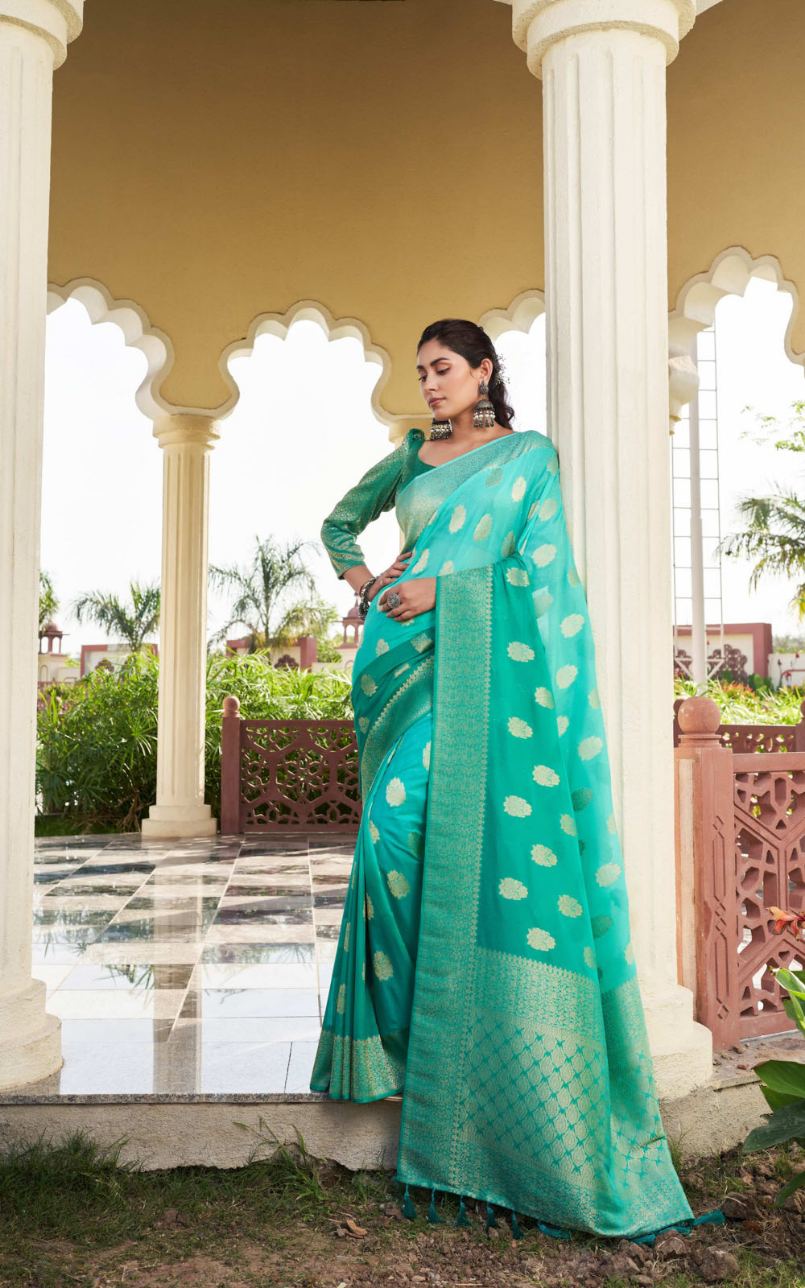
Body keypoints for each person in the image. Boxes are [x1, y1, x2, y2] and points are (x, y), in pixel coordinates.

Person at [309, 318, 723, 1243]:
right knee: (385, 842)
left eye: (443, 368)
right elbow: (337, 523)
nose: (430, 384)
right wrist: (367, 580)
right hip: (405, 672)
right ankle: (396, 1048)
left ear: (483, 370)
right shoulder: (409, 459)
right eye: (421, 371)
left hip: (484, 668)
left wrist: (444, 590)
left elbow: (541, 578)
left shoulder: (527, 458)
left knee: (441, 844)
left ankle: (457, 1049)